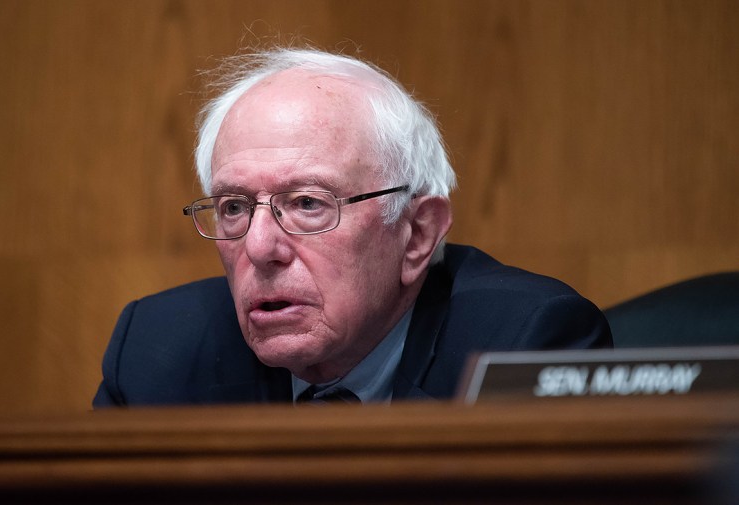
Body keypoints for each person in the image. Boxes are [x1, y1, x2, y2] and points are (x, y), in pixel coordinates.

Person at [93, 48, 611, 406]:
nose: (259, 246)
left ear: (417, 234)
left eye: (308, 203)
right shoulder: (157, 351)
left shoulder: (523, 343)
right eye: (234, 207)